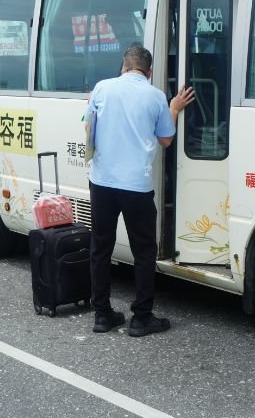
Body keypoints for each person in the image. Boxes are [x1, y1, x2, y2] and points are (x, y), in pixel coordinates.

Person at [86, 44, 194, 336]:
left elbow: (88, 130)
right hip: (136, 185)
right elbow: (166, 140)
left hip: (102, 182)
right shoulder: (156, 96)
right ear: (149, 72)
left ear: (123, 67)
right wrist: (174, 109)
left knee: (100, 248)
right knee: (144, 252)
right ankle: (141, 318)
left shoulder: (101, 89)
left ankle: (102, 315)